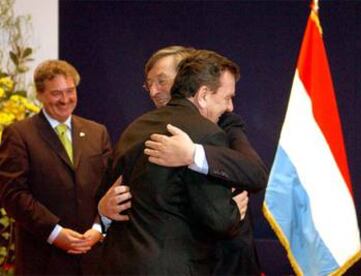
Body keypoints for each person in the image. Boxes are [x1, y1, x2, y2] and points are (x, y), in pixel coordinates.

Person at [98, 46, 267, 275]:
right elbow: (218, 219)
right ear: (202, 93)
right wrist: (102, 210)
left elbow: (255, 172)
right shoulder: (205, 131)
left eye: (162, 81)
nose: (154, 91)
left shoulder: (133, 128)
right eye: (149, 84)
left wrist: (194, 154)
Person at [0, 60, 112, 275]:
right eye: (56, 93)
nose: (65, 100)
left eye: (70, 91)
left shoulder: (97, 132)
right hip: (43, 257)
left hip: (93, 258)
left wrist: (99, 228)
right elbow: (12, 194)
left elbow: (109, 187)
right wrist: (55, 232)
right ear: (40, 95)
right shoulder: (19, 135)